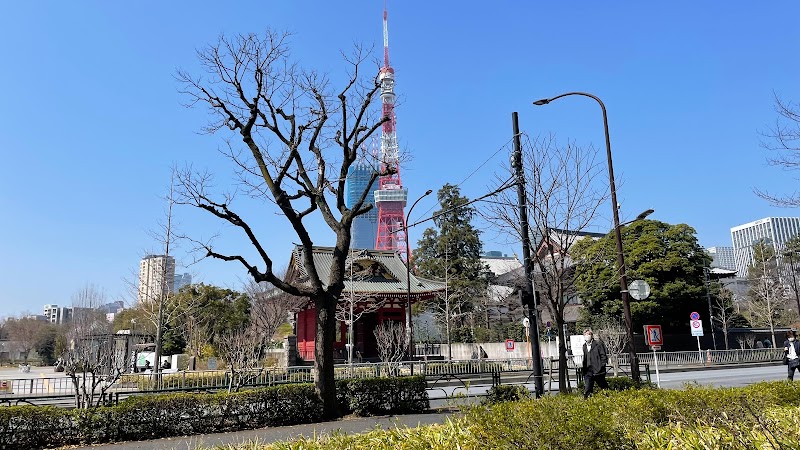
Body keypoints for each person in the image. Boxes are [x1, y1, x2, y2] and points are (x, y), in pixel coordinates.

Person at [582, 329, 608, 398]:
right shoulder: (584, 346)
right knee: (588, 388)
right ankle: (587, 402)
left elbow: (603, 356)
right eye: (585, 334)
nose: (587, 336)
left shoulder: (598, 344)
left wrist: (602, 366)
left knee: (603, 387)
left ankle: (609, 399)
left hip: (598, 369)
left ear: (592, 335)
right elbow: (585, 357)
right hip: (588, 370)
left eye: (588, 334)